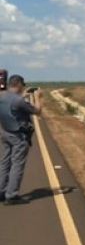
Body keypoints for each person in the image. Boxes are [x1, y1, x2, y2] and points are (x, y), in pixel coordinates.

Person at [0, 74, 42, 205]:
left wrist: (23, 96)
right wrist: (37, 97)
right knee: (17, 164)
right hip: (19, 136)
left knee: (5, 162)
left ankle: (1, 190)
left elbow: (13, 104)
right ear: (19, 84)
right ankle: (12, 195)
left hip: (6, 132)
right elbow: (38, 111)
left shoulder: (2, 96)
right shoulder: (19, 101)